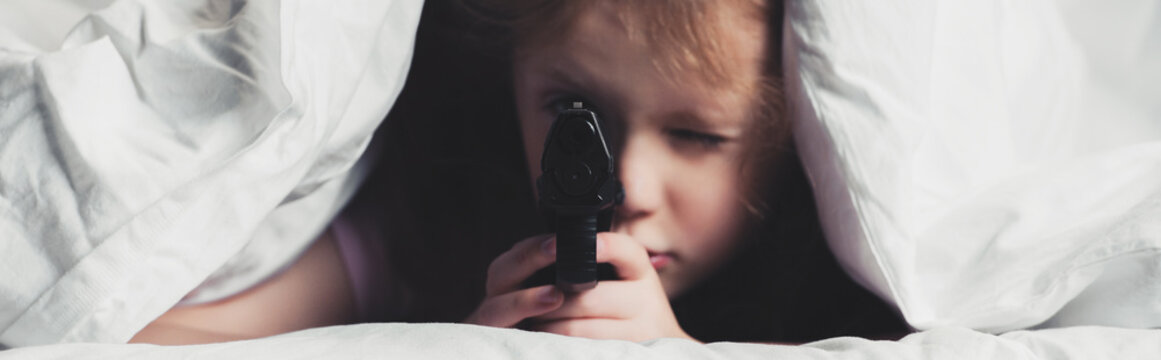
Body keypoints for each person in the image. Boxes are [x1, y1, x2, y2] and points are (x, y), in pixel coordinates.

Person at [460, 0, 905, 343]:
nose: (628, 189)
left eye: (696, 135)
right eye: (573, 118)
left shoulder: (869, 314)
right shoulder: (441, 229)